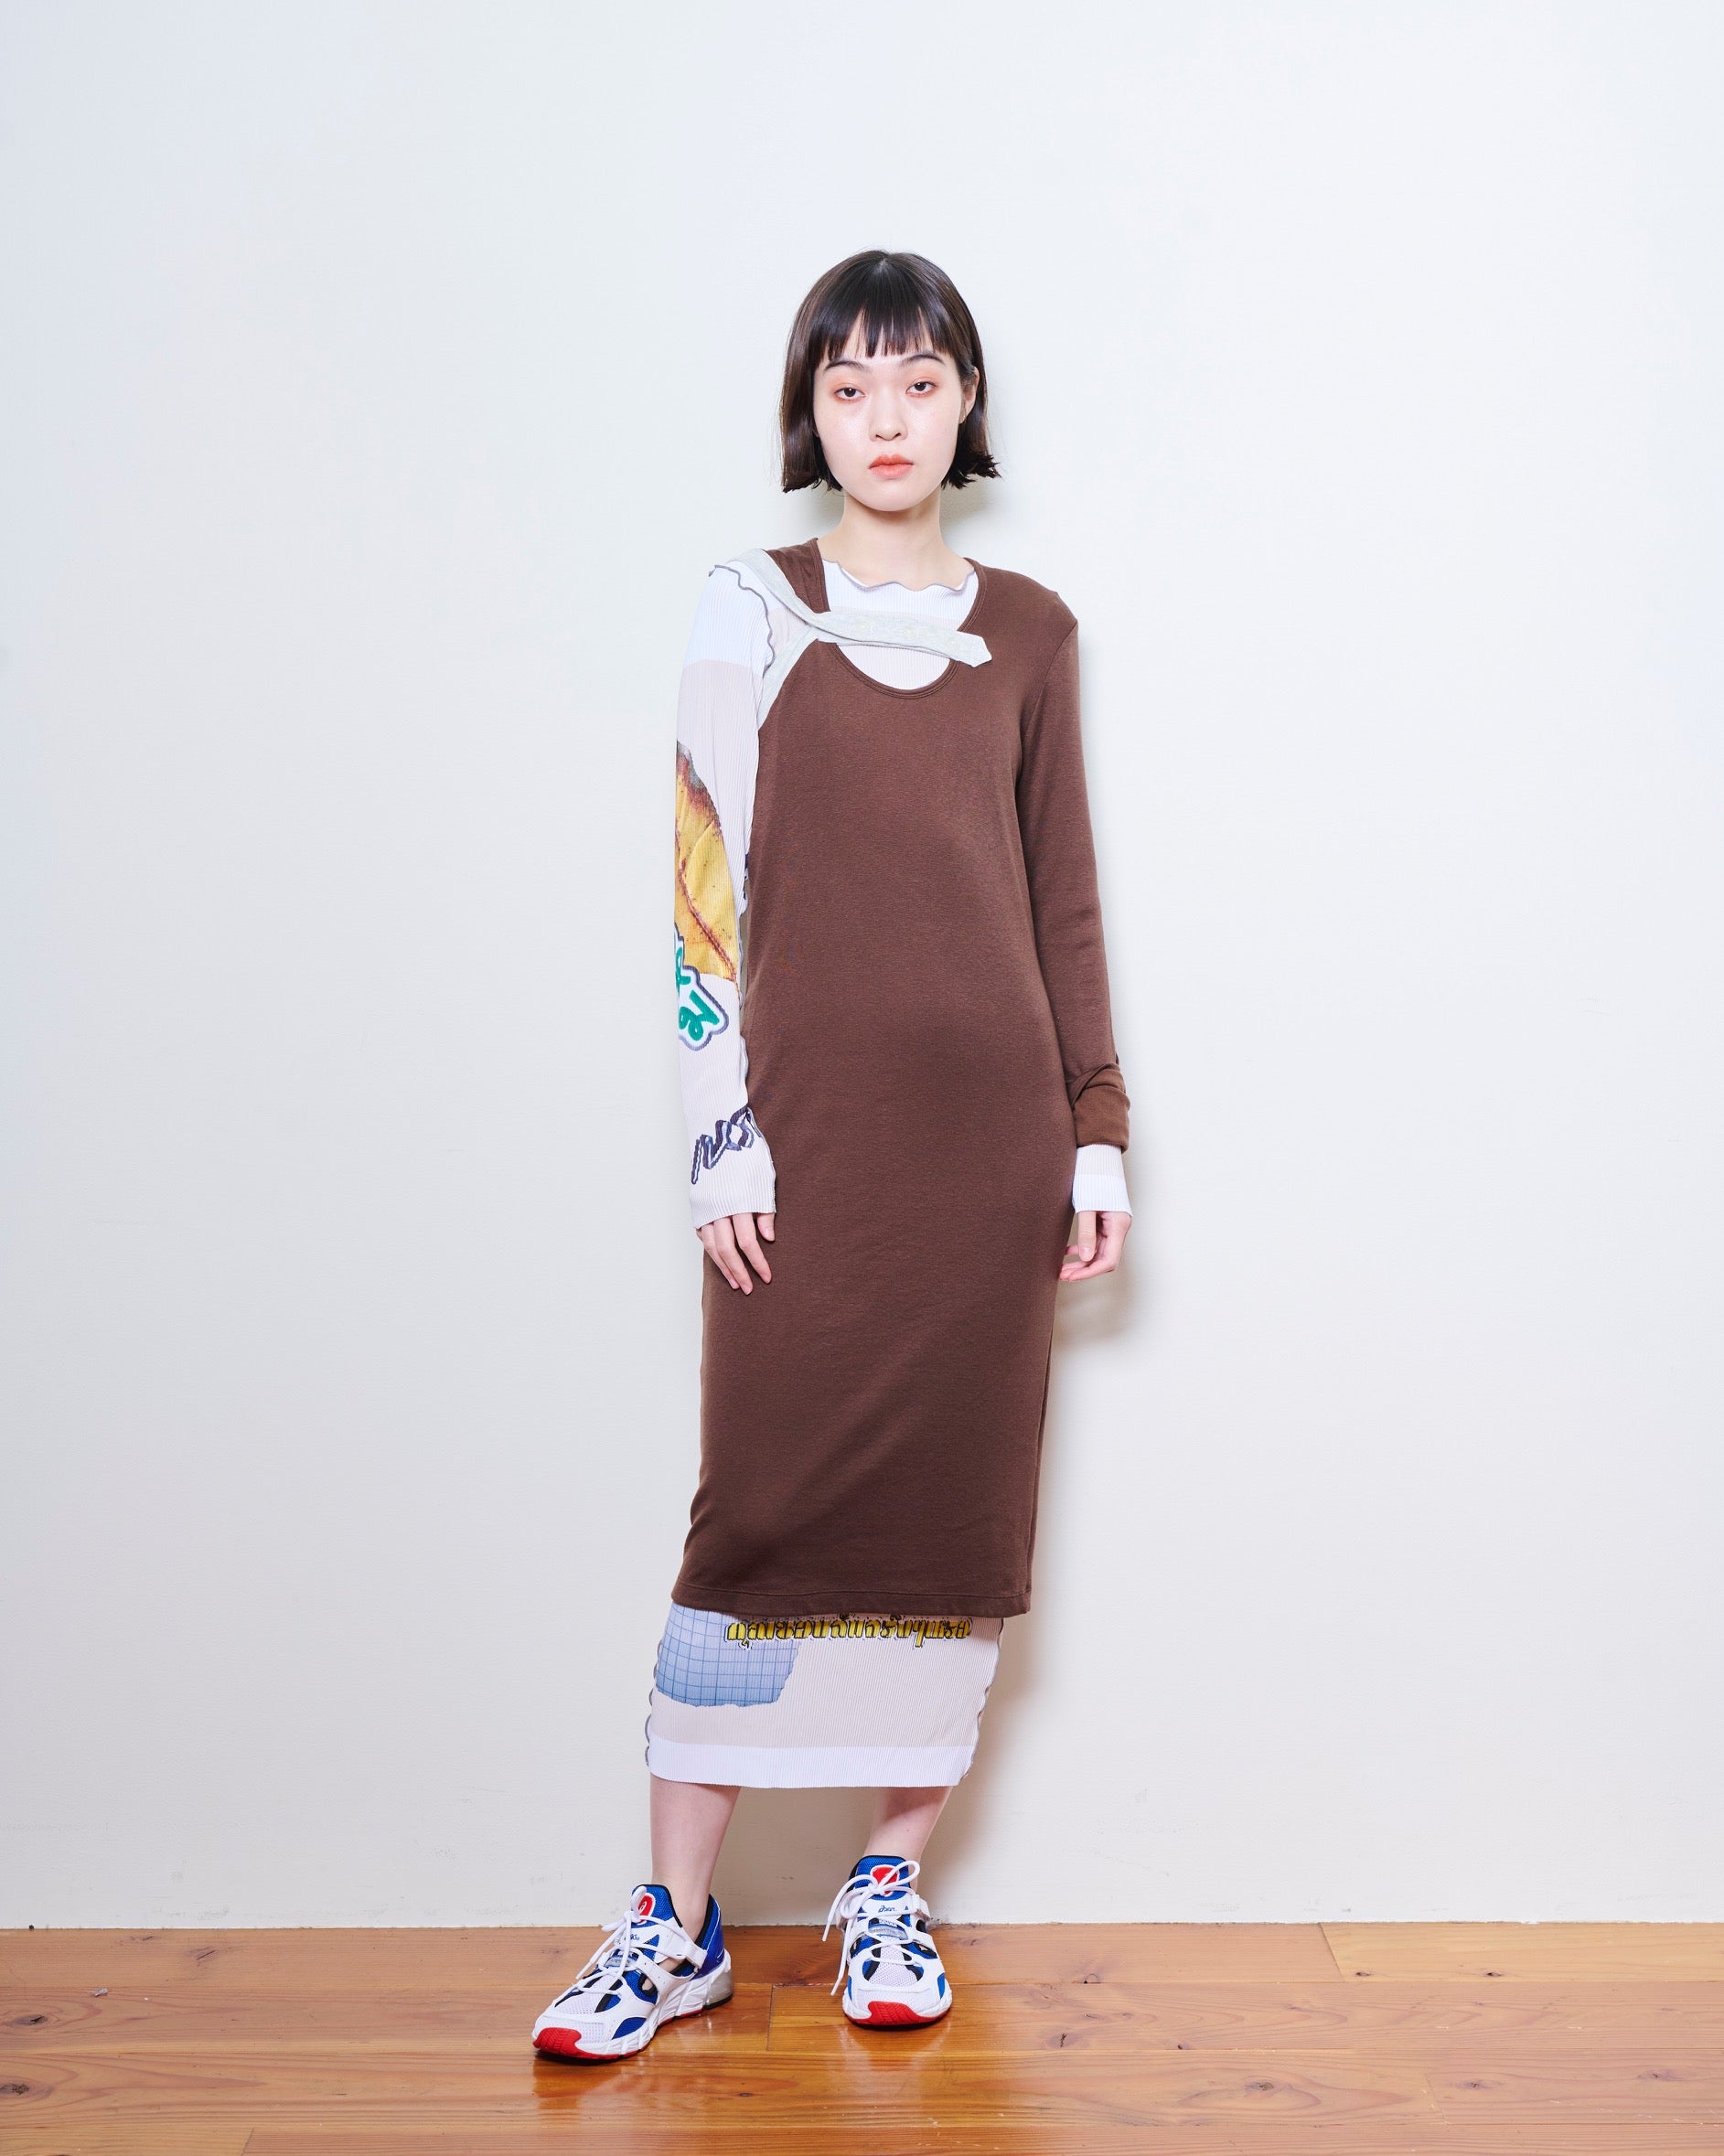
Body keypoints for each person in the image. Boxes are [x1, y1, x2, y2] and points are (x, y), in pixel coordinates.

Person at [532, 251, 1132, 2062]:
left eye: (920, 382)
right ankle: (675, 1923)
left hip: (989, 1151)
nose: (887, 419)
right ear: (809, 411)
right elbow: (698, 882)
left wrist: (1096, 1130)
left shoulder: (1031, 633)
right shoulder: (750, 604)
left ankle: (889, 1884)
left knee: (954, 1522)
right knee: (761, 1516)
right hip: (798, 1144)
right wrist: (720, 1133)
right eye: (851, 386)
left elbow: (1063, 898)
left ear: (965, 403)